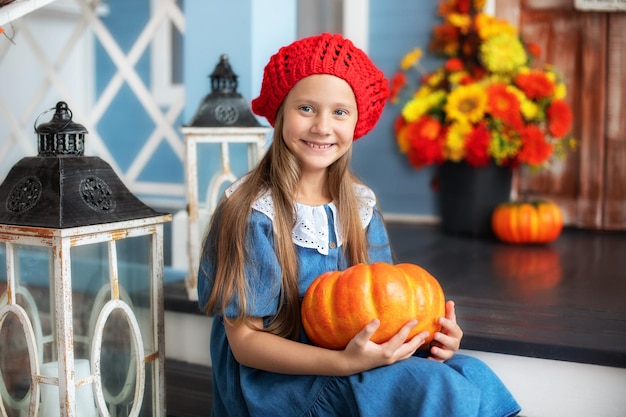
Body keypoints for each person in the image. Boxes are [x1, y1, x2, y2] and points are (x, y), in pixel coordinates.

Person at [197, 33, 521, 417]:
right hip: (277, 382)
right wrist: (347, 364)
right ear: (280, 113)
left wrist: (426, 341)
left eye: (339, 112)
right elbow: (245, 344)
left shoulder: (358, 205)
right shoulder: (253, 212)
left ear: (356, 123)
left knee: (470, 373)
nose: (322, 126)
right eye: (306, 108)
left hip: (348, 358)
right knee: (433, 386)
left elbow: (377, 308)